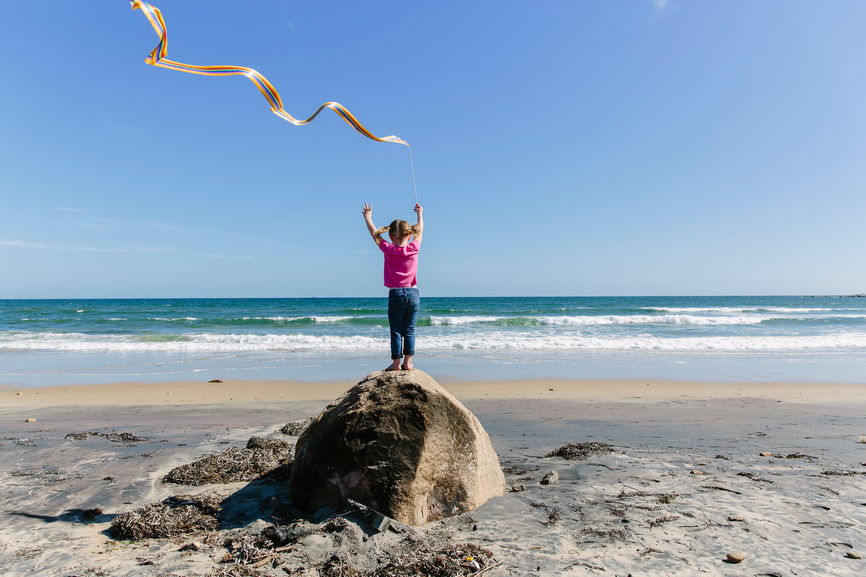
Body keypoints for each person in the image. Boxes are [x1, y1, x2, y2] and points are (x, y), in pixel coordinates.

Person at [362, 202, 424, 371]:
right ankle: (408, 362)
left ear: (390, 236)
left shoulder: (388, 249)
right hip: (413, 294)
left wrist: (368, 217)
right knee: (409, 330)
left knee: (396, 331)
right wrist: (420, 214)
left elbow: (374, 234)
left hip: (395, 294)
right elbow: (420, 231)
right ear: (409, 235)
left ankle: (396, 363)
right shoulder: (414, 248)